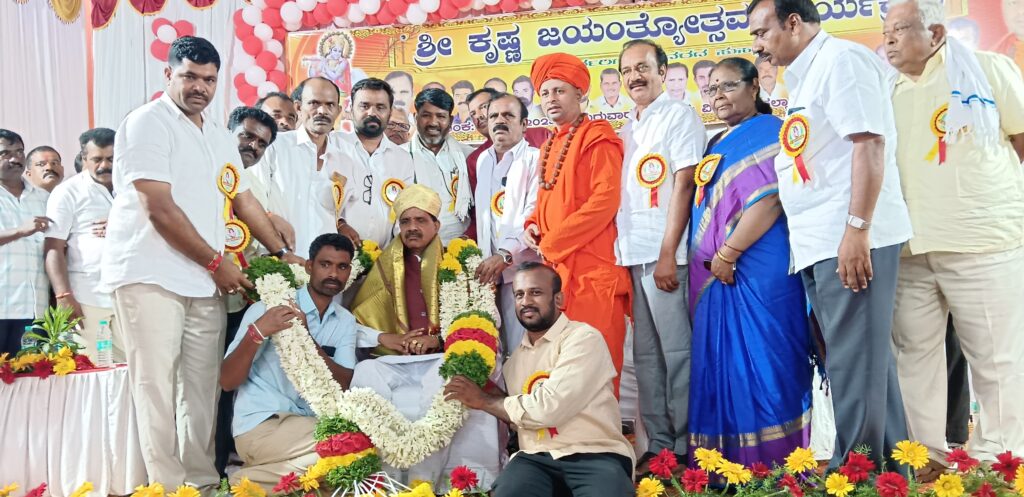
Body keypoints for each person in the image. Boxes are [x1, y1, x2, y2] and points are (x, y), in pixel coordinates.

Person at [100, 36, 300, 487]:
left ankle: (202, 483)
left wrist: (282, 253)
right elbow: (158, 208)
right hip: (149, 274)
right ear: (168, 74)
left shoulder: (217, 136)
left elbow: (244, 200)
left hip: (204, 282)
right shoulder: (146, 123)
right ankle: (168, 488)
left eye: (209, 80)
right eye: (189, 76)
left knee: (201, 388)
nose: (200, 87)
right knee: (155, 386)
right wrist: (215, 264)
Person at [748, 0, 913, 469]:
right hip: (820, 241)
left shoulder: (842, 61)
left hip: (850, 237)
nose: (757, 46)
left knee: (852, 364)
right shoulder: (805, 75)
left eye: (761, 32)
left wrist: (857, 230)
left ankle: (854, 474)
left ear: (793, 23)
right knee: (864, 363)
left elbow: (869, 143)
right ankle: (890, 473)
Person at [884, 0, 1024, 471]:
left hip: (983, 239)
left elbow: (1021, 138)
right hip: (909, 247)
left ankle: (1000, 459)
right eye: (886, 32)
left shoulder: (987, 69)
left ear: (936, 32)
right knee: (914, 357)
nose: (889, 41)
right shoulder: (885, 89)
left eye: (900, 30)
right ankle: (925, 457)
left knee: (996, 358)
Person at [688, 57, 812, 467]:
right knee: (723, 365)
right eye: (712, 89)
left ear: (754, 86)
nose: (718, 95)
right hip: (717, 277)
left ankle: (779, 466)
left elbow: (770, 200)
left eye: (728, 86)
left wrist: (728, 253)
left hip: (758, 268)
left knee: (767, 359)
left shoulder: (772, 132)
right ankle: (726, 466)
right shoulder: (716, 142)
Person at [349, 185, 501, 487]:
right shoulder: (383, 265)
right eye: (405, 221)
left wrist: (441, 339)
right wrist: (386, 338)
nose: (412, 228)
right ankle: (380, 482)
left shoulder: (461, 262)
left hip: (443, 356)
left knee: (447, 379)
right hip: (395, 360)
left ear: (436, 225)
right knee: (365, 372)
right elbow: (355, 321)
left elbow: (486, 319)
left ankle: (424, 484)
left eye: (420, 220)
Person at [444, 262, 636, 497]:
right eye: (519, 294)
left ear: (558, 299)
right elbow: (520, 417)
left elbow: (549, 409)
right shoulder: (514, 361)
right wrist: (485, 389)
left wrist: (483, 400)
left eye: (535, 292)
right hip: (535, 458)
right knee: (509, 492)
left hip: (595, 454)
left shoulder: (583, 338)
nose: (526, 301)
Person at [614, 39, 704, 469]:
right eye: (627, 70)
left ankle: (687, 444)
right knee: (646, 356)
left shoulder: (679, 116)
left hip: (667, 256)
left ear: (663, 72)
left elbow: (685, 184)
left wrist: (669, 252)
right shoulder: (625, 130)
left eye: (643, 67)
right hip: (632, 256)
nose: (635, 77)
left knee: (677, 353)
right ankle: (660, 443)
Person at [524, 53, 631, 393]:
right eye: (545, 93)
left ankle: (601, 429)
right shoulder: (549, 144)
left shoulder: (598, 137)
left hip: (592, 271)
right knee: (561, 367)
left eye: (559, 91)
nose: (551, 99)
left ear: (580, 94)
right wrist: (532, 224)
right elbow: (545, 197)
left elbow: (605, 201)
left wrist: (554, 242)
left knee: (595, 363)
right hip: (558, 272)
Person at [221, 234, 360, 487]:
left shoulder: (345, 321)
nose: (333, 274)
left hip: (310, 426)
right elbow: (227, 381)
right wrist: (258, 331)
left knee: (346, 466)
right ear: (309, 266)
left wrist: (307, 338)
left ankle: (251, 482)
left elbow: (343, 383)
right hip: (263, 425)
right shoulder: (268, 308)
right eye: (325, 264)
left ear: (349, 271)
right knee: (351, 448)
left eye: (342, 267)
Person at [216, 105, 288, 476]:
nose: (253, 146)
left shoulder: (250, 184)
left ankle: (226, 456)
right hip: (205, 289)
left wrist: (280, 252)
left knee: (229, 383)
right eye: (246, 136)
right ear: (227, 132)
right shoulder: (212, 168)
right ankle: (211, 466)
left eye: (261, 143)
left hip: (241, 298)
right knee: (207, 385)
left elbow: (261, 236)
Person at [43, 127, 121, 363]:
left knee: (132, 370)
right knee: (92, 369)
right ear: (84, 159)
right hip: (87, 298)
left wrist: (122, 224)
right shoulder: (67, 192)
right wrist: (63, 295)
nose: (104, 166)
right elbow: (53, 248)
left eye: (111, 159)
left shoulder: (132, 187)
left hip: (129, 295)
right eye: (97, 159)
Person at [473, 93, 541, 355]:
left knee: (523, 348)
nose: (499, 121)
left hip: (523, 271)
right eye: (494, 116)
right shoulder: (483, 160)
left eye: (508, 115)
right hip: (490, 274)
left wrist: (505, 254)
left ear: (524, 125)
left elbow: (533, 214)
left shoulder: (536, 158)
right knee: (495, 351)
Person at [257, 77, 347, 259]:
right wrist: (270, 217)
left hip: (324, 267)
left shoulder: (344, 160)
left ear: (338, 111)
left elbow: (339, 214)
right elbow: (252, 200)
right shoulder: (274, 146)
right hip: (278, 260)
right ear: (298, 108)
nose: (322, 111)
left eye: (330, 105)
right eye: (314, 103)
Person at [332, 78, 416, 248]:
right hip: (334, 252)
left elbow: (402, 210)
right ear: (350, 110)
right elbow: (316, 199)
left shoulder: (402, 158)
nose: (372, 113)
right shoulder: (332, 145)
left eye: (380, 107)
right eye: (364, 106)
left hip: (382, 255)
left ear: (390, 112)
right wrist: (339, 224)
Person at [464, 88, 552, 241]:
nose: (479, 116)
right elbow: (479, 215)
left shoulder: (542, 139)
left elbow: (540, 206)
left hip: (532, 244)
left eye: (483, 107)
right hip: (492, 250)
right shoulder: (478, 160)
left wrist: (508, 250)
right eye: (472, 113)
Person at [0, 129, 49, 356]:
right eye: (5, 153)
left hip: (34, 309)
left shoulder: (44, 198)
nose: (15, 159)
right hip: (2, 304)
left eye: (19, 152)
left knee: (31, 375)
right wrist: (20, 231)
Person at [407, 89, 472, 245]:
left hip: (462, 246)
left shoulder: (468, 156)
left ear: (451, 120)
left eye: (441, 116)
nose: (433, 122)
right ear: (415, 118)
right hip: (415, 247)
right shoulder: (400, 156)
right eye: (426, 115)